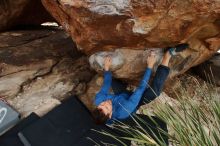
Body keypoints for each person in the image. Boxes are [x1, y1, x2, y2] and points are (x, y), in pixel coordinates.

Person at [93, 43, 189, 125]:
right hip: (133, 103)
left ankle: (126, 87)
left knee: (111, 79)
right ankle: (168, 55)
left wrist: (106, 67)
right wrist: (149, 66)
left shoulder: (99, 99)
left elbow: (106, 83)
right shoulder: (123, 111)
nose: (105, 102)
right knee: (155, 92)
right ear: (110, 115)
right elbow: (140, 89)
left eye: (102, 104)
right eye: (106, 107)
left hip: (121, 94)